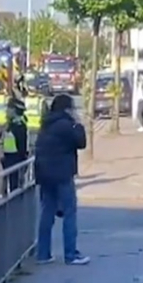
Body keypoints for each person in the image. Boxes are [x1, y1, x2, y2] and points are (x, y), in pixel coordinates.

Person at [34, 94, 90, 265]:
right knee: (69, 212)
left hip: (44, 174)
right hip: (62, 174)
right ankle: (71, 254)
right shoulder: (66, 125)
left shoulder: (46, 124)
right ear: (67, 109)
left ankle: (43, 254)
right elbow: (81, 142)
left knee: (47, 212)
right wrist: (79, 123)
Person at [1, 100, 28, 193]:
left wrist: (22, 159)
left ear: (14, 110)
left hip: (15, 158)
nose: (6, 111)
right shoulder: (11, 124)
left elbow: (21, 144)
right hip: (8, 157)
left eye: (8, 109)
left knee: (15, 187)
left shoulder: (18, 125)